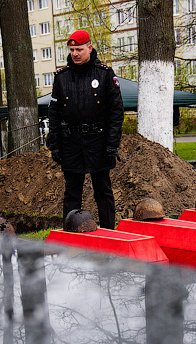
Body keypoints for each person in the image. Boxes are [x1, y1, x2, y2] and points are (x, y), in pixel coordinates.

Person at [48, 29, 124, 229]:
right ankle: (71, 232)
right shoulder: (61, 78)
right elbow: (54, 114)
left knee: (103, 190)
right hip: (71, 142)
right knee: (71, 192)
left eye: (79, 49)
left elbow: (116, 113)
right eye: (72, 50)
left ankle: (109, 231)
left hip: (98, 141)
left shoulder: (105, 74)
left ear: (89, 48)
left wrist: (111, 144)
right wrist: (54, 145)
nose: (75, 54)